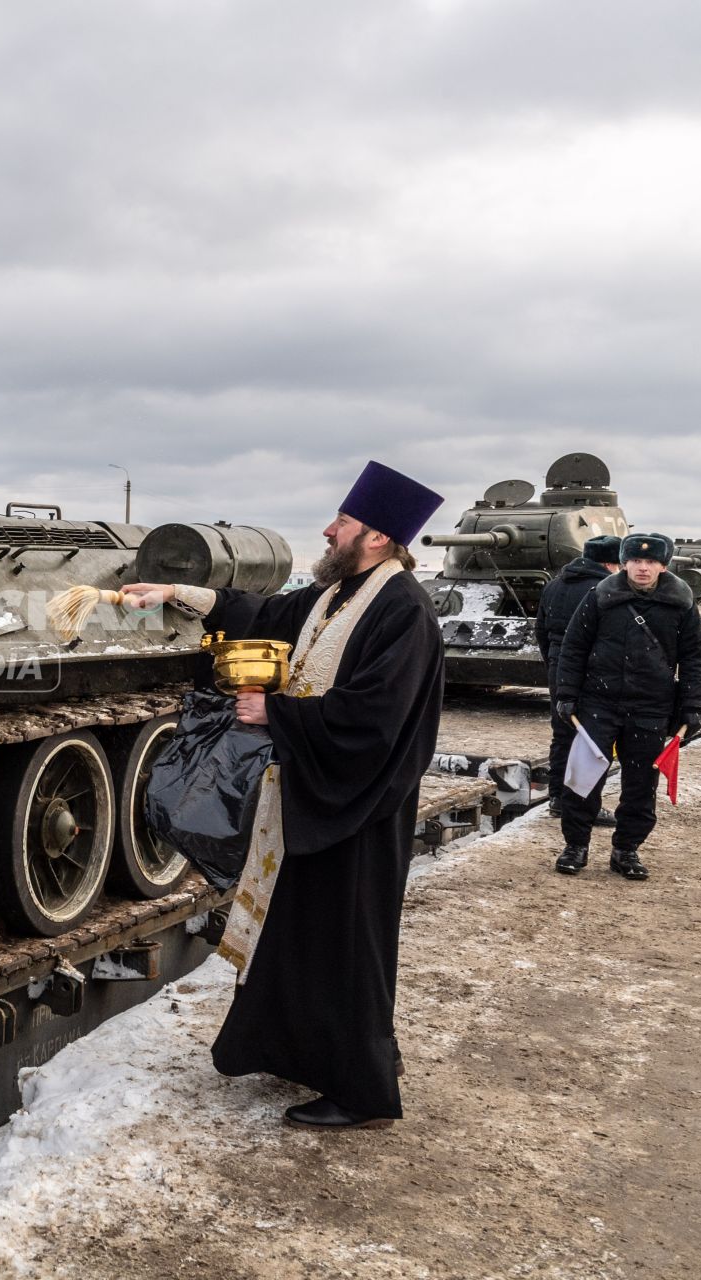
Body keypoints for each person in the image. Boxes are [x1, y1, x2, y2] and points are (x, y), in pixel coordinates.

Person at [122, 460, 444, 1130]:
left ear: (378, 538)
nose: (329, 531)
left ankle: (362, 1092)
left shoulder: (403, 610)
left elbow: (374, 717)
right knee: (305, 937)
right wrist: (175, 592)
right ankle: (333, 1054)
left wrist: (278, 715)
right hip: (314, 792)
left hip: (360, 805)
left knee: (349, 943)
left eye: (344, 523)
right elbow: (260, 612)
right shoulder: (337, 596)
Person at [552, 532, 701, 880]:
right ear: (624, 563)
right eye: (636, 561)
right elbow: (574, 646)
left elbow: (696, 657)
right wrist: (565, 694)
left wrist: (694, 705)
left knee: (640, 784)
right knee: (583, 779)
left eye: (651, 562)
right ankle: (576, 845)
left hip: (651, 707)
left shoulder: (681, 603)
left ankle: (626, 850)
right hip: (599, 702)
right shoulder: (601, 596)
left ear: (663, 566)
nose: (642, 567)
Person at [537, 535, 620, 822]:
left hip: (559, 668)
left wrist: (555, 664)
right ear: (609, 563)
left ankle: (558, 798)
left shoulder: (554, 585)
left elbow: (541, 631)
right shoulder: (605, 588)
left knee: (562, 735)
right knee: (593, 738)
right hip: (594, 669)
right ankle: (585, 804)